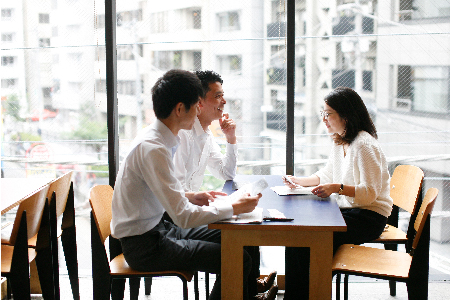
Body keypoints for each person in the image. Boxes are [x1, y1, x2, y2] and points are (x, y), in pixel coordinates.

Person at [110, 69, 262, 300]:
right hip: (145, 245)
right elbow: (182, 217)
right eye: (196, 104)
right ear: (180, 109)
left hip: (159, 230)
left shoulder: (160, 140)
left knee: (242, 239)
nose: (199, 110)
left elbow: (161, 190)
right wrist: (234, 208)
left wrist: (190, 195)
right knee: (237, 258)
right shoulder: (155, 148)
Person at [173, 70, 278, 299]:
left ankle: (249, 293)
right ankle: (245, 291)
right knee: (240, 238)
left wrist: (230, 137)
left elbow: (226, 173)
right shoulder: (183, 136)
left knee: (248, 232)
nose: (224, 101)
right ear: (199, 102)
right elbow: (176, 196)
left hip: (190, 209)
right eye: (218, 95)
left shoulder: (206, 135)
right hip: (178, 218)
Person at [282, 87, 393, 299]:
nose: (324, 119)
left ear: (346, 115)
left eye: (328, 113)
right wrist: (299, 181)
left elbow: (369, 193)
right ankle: (300, 294)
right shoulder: (340, 139)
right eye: (322, 113)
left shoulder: (364, 145)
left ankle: (308, 292)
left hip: (369, 216)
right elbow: (328, 173)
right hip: (350, 210)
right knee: (297, 237)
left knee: (308, 240)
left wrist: (336, 188)